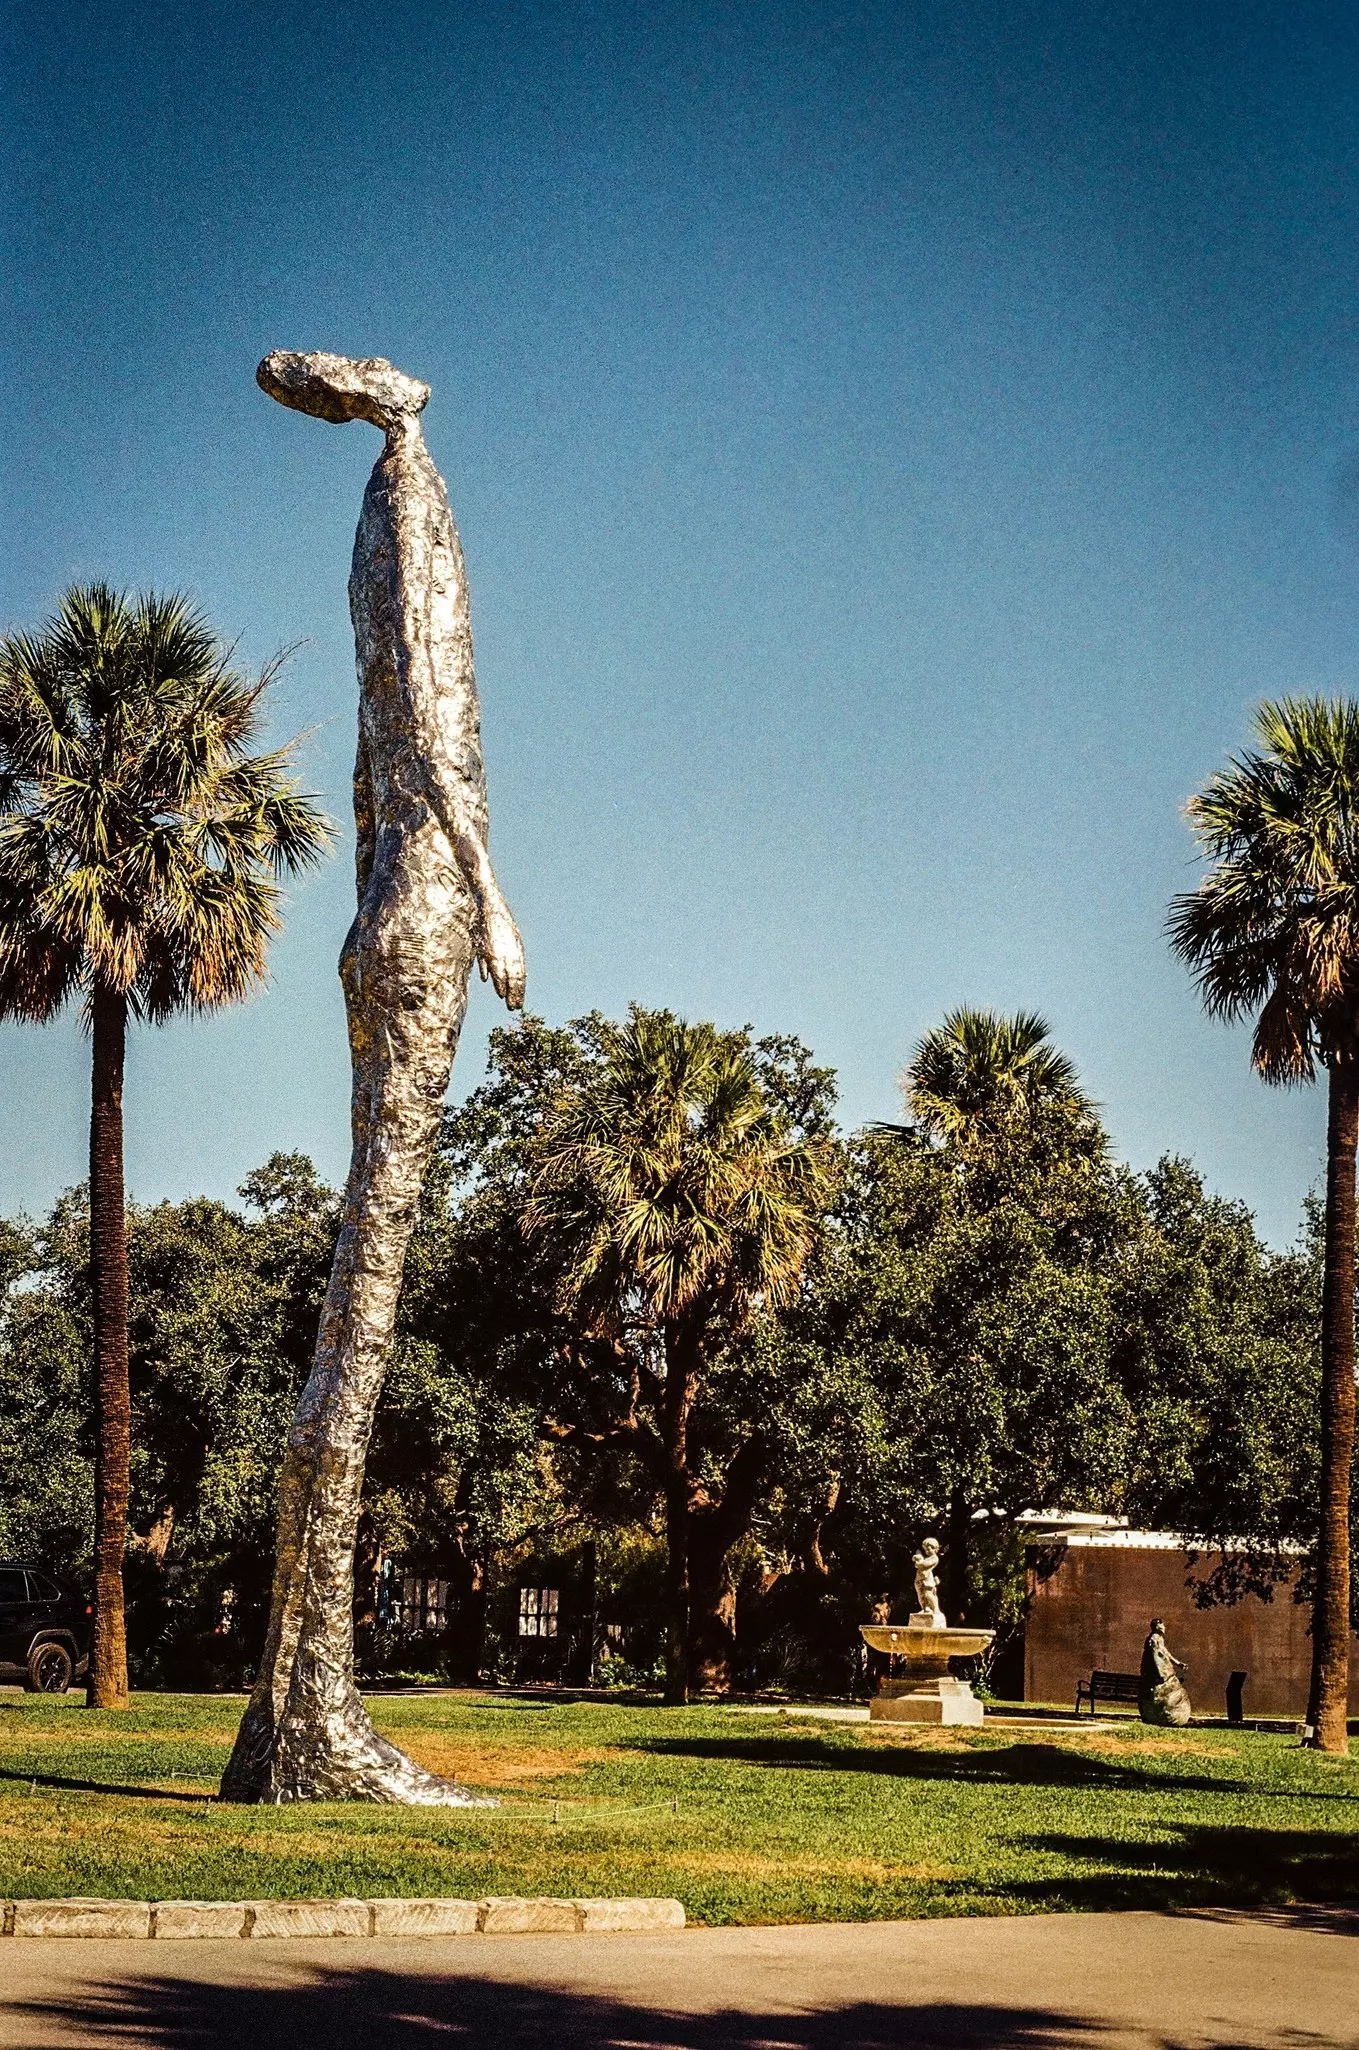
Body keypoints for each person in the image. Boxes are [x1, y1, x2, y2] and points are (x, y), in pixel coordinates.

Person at [1138, 1616, 1192, 1727]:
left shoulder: (1159, 1639)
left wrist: (1178, 1663)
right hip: (1157, 1675)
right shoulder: (1153, 1639)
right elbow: (1155, 1658)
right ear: (1157, 1626)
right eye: (1163, 1625)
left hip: (1161, 1674)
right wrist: (1161, 1674)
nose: (1164, 1627)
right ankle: (1162, 1715)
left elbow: (1165, 1653)